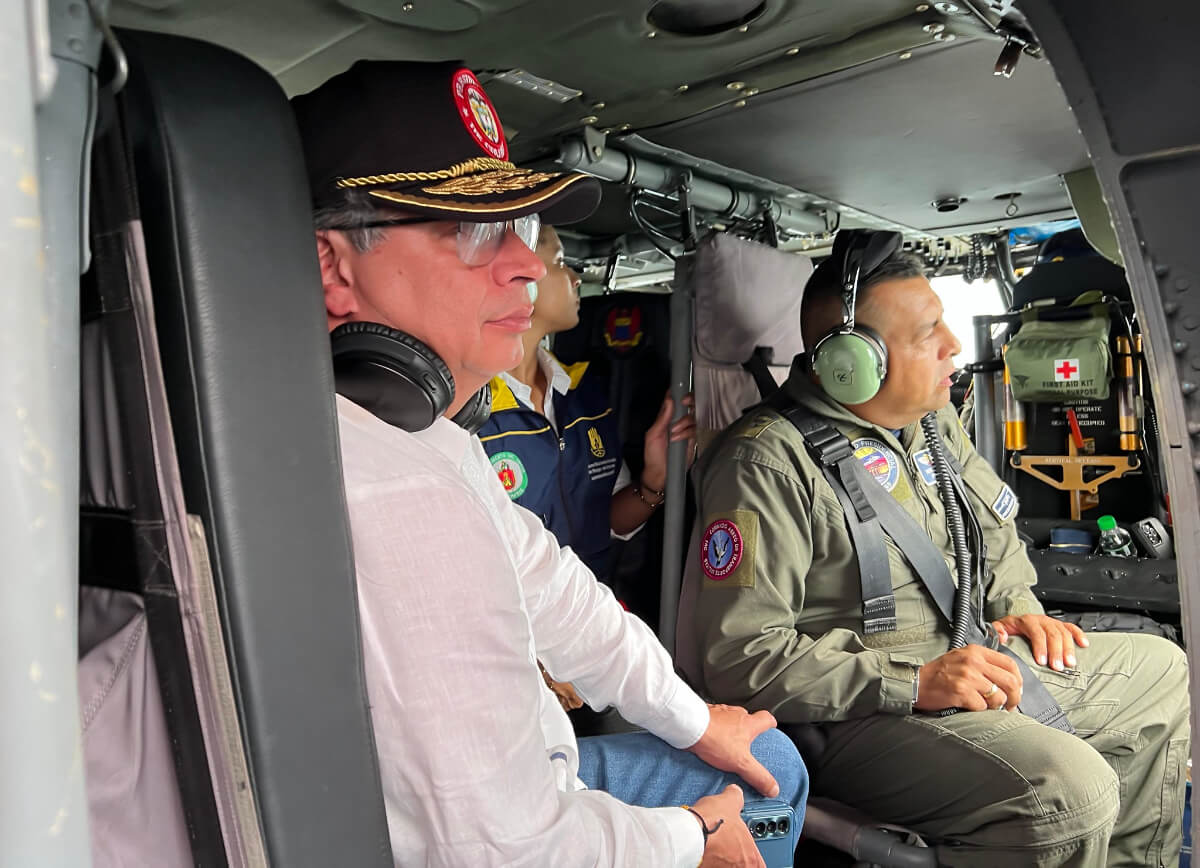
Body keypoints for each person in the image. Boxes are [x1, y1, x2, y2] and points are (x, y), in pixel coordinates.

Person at [291, 59, 807, 867]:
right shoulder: (396, 487)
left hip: (502, 798)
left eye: (520, 231)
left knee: (755, 754)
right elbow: (503, 848)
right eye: (469, 231)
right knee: (770, 785)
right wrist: (694, 836)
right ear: (333, 267)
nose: (524, 264)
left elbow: (560, 594)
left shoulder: (419, 438)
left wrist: (696, 718)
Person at [676, 235, 1189, 868]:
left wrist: (1016, 602)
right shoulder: (765, 464)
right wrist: (914, 681)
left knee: (1163, 672)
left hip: (968, 660)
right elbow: (739, 658)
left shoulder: (929, 421)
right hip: (858, 713)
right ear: (850, 365)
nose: (954, 344)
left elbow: (992, 521)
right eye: (928, 334)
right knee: (1070, 793)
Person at [478, 225, 696, 583]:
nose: (576, 278)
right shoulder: (469, 407)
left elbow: (606, 520)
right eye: (562, 261)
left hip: (585, 621)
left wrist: (654, 480)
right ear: (518, 276)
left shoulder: (583, 396)